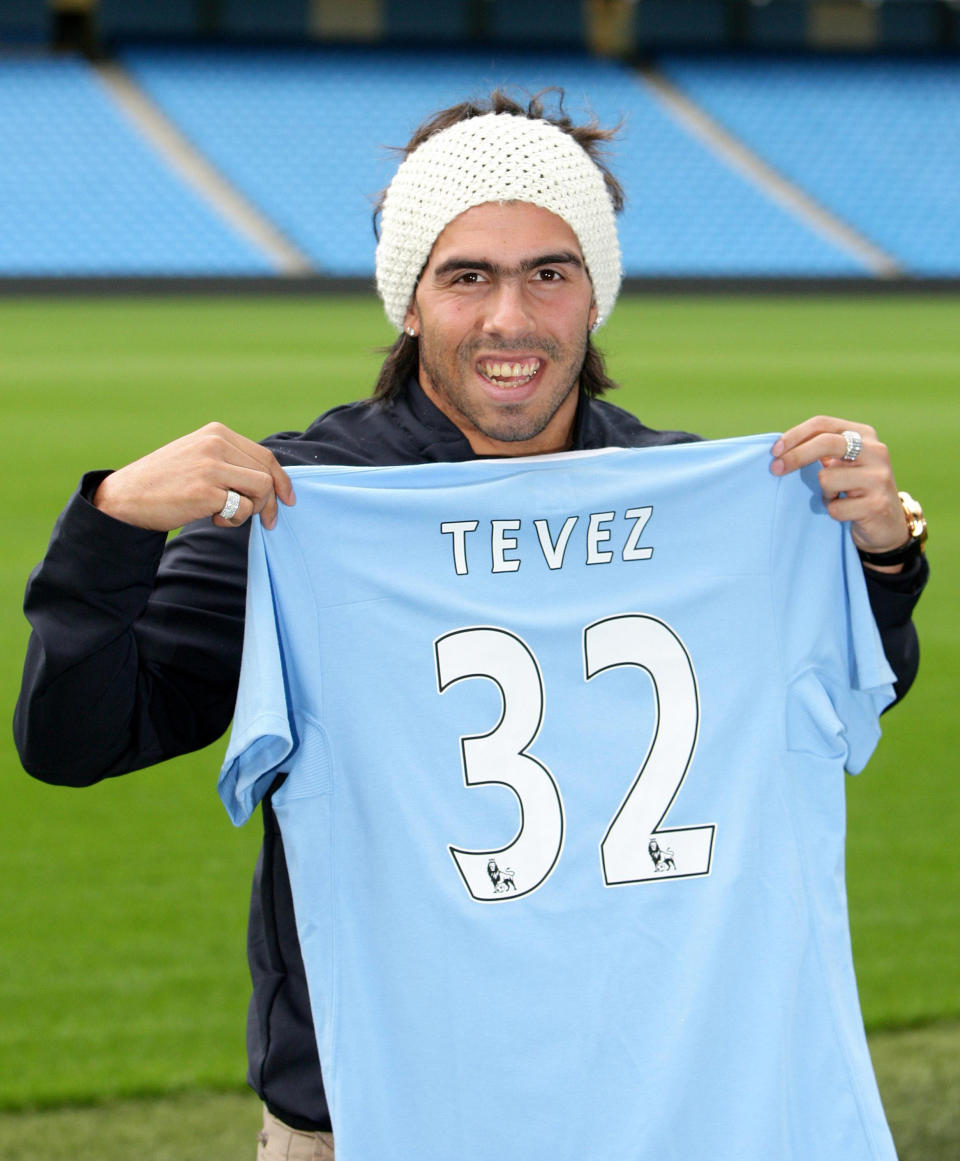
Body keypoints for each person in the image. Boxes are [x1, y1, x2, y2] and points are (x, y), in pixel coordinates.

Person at [15, 90, 927, 1159]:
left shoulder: (694, 499)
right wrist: (113, 525)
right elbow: (78, 740)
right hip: (381, 1110)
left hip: (665, 1098)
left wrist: (878, 558)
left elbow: (836, 694)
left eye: (550, 271)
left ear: (596, 298)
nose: (510, 317)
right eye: (467, 276)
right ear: (408, 302)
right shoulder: (299, 512)